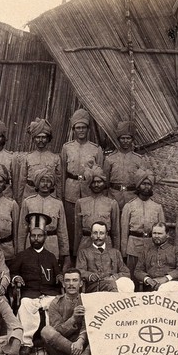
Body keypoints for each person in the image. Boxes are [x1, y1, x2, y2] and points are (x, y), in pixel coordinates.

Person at [9, 213, 62, 355]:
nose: (36, 239)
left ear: (45, 237)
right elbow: (12, 273)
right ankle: (27, 342)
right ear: (29, 237)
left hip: (49, 294)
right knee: (25, 304)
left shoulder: (50, 256)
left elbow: (58, 274)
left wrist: (60, 278)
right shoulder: (22, 256)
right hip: (30, 294)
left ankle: (52, 342)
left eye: (39, 236)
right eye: (33, 236)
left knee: (55, 304)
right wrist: (17, 278)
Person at [61, 109, 104, 255]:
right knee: (71, 225)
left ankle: (87, 254)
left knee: (87, 223)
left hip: (88, 191)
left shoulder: (96, 149)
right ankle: (71, 256)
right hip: (70, 191)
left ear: (88, 129)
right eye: (78, 127)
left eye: (83, 127)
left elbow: (100, 174)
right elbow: (62, 172)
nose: (81, 130)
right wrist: (61, 194)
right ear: (73, 129)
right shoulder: (67, 147)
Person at [120, 168, 165, 288]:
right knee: (133, 279)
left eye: (149, 184)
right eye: (144, 184)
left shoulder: (157, 207)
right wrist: (124, 253)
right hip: (133, 247)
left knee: (151, 280)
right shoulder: (129, 206)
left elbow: (162, 231)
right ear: (138, 185)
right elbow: (124, 232)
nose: (146, 187)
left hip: (151, 247)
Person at [18, 167, 69, 265]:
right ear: (37, 183)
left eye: (48, 181)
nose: (45, 184)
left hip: (51, 245)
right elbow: (22, 231)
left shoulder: (58, 203)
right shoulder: (28, 202)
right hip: (32, 243)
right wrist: (20, 252)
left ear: (52, 184)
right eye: (42, 181)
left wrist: (65, 255)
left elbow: (62, 231)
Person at [40, 268, 91, 355]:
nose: (71, 284)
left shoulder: (87, 300)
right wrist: (73, 319)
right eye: (67, 281)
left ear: (81, 284)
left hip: (83, 344)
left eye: (75, 280)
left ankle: (83, 354)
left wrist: (80, 340)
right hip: (62, 348)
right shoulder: (55, 303)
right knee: (46, 330)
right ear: (63, 284)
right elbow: (57, 331)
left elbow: (89, 325)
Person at [74, 165, 120, 256]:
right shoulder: (80, 203)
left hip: (106, 244)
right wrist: (76, 253)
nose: (96, 185)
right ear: (89, 184)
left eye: (99, 182)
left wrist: (116, 253)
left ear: (104, 183)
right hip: (85, 243)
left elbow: (115, 232)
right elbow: (77, 231)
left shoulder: (112, 203)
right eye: (93, 182)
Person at [76, 221, 133, 293]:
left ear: (106, 235)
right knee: (111, 285)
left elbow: (126, 272)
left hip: (113, 284)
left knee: (128, 284)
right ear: (91, 235)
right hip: (93, 287)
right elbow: (79, 271)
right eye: (95, 233)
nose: (98, 236)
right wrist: (89, 275)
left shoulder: (115, 252)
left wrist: (114, 277)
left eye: (102, 233)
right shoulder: (84, 252)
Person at [103, 120, 147, 210]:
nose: (125, 141)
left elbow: (143, 182)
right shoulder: (110, 158)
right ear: (118, 139)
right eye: (122, 138)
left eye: (128, 138)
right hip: (113, 197)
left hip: (132, 198)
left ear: (132, 139)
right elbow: (105, 182)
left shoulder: (139, 159)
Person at [16, 117, 62, 201]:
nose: (41, 140)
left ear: (48, 139)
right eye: (38, 137)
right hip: (30, 194)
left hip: (49, 195)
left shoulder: (55, 158)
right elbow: (22, 181)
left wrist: (59, 199)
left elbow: (58, 183)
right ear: (33, 139)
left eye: (43, 137)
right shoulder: (27, 158)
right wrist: (20, 200)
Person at [135, 222, 178, 292]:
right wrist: (147, 279)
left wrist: (166, 278)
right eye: (154, 233)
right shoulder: (146, 251)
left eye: (160, 233)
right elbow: (138, 271)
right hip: (152, 286)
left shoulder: (176, 250)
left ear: (167, 235)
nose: (156, 236)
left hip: (172, 285)